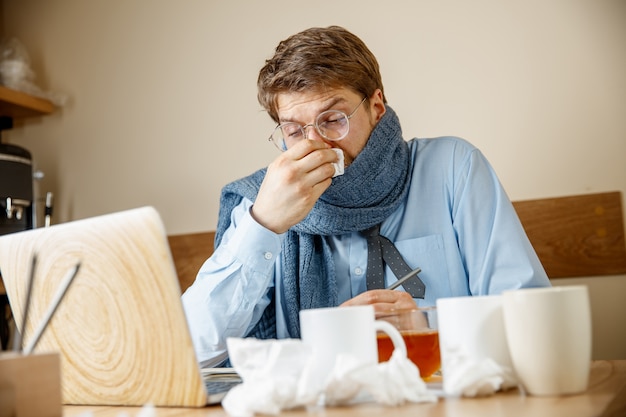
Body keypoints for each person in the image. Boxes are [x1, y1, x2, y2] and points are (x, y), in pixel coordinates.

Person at [182, 25, 550, 367]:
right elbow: (191, 351)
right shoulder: (260, 204)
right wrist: (263, 224)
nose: (317, 145)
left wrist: (427, 326)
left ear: (376, 107)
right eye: (295, 130)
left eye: (332, 119)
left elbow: (533, 323)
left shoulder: (453, 169)